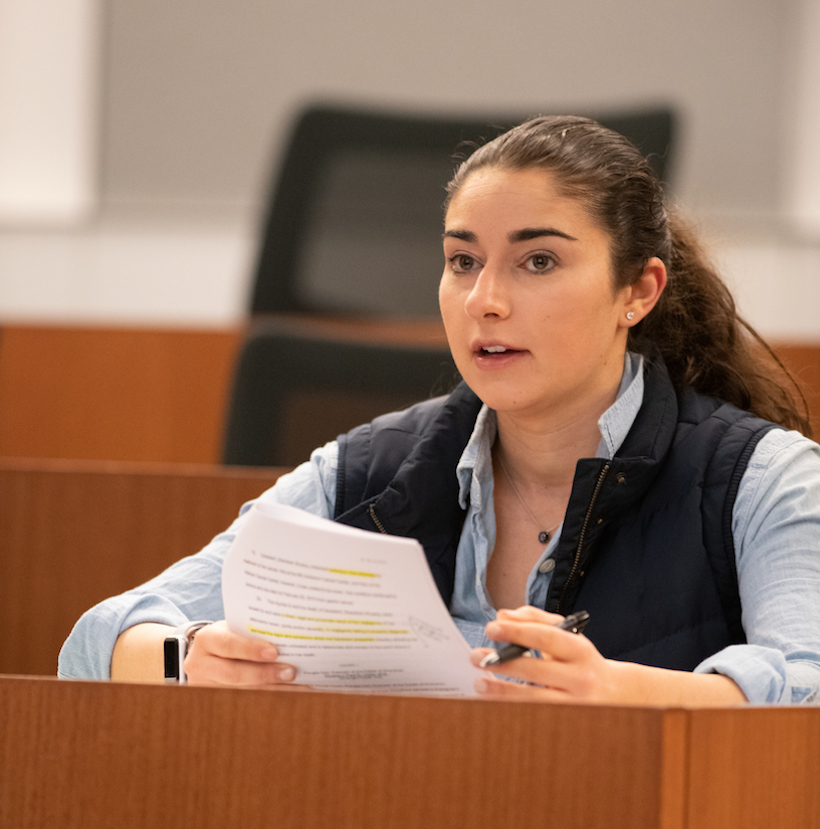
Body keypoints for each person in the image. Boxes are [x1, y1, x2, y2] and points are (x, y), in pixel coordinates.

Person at [59, 116, 820, 705]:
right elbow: (95, 645)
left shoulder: (764, 479)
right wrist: (188, 657)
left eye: (539, 261)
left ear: (639, 291)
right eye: (463, 261)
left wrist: (625, 693)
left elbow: (805, 681)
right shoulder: (362, 472)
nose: (485, 300)